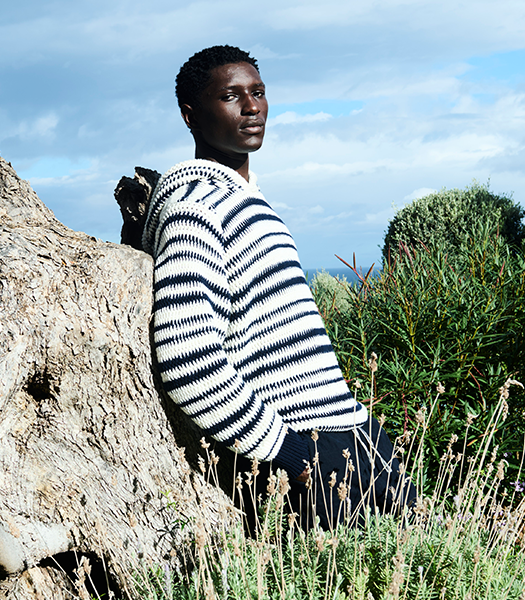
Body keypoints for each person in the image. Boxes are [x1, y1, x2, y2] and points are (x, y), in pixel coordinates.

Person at [142, 45, 412, 530]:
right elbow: (188, 359)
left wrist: (366, 434)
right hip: (306, 454)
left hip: (350, 438)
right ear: (190, 115)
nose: (252, 107)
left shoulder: (246, 200)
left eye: (258, 92)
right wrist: (290, 453)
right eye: (231, 95)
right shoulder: (194, 205)